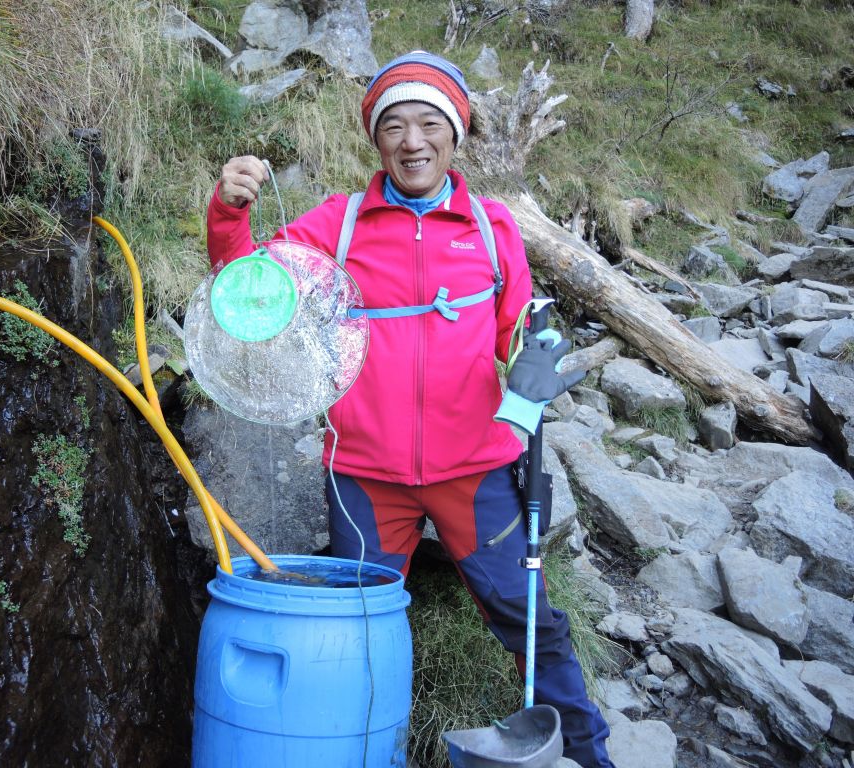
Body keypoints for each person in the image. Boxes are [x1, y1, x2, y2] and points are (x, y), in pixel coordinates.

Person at [206, 51, 614, 768]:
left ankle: (587, 755)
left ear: (456, 136)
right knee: (358, 634)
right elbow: (246, 286)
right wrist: (228, 209)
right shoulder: (337, 225)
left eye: (431, 122)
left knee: (529, 623)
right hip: (365, 473)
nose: (412, 140)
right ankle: (362, 752)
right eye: (394, 125)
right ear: (376, 140)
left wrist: (537, 357)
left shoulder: (491, 229)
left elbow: (522, 328)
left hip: (479, 471)